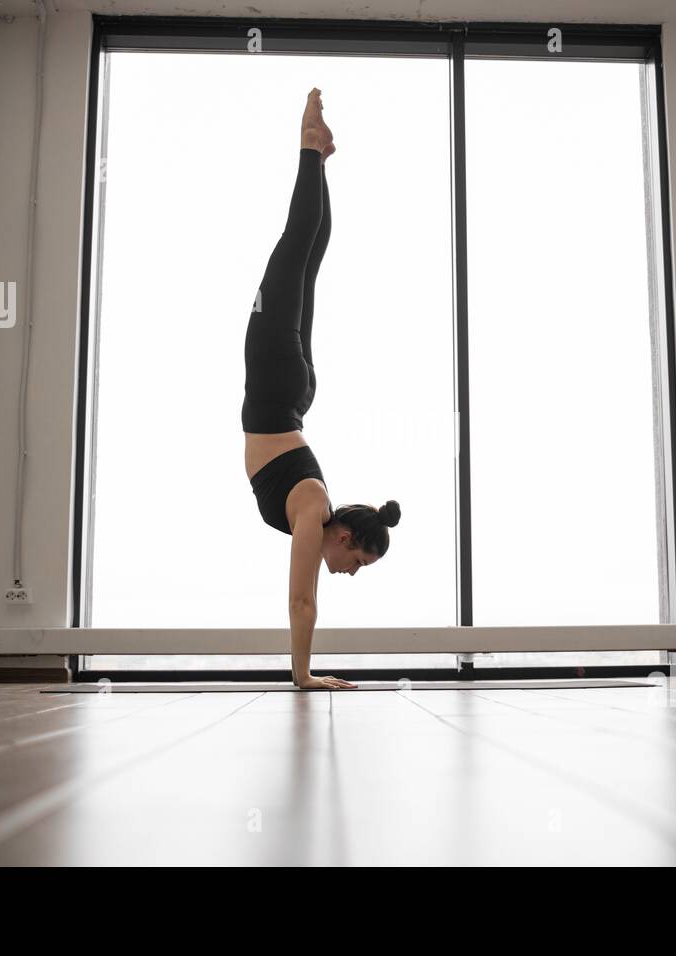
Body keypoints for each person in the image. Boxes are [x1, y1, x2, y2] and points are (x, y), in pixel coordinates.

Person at [241, 88, 401, 690]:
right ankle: (311, 147)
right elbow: (302, 602)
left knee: (304, 262)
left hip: (291, 390)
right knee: (294, 251)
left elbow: (306, 596)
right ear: (343, 536)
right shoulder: (312, 509)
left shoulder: (315, 502)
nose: (349, 572)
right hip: (275, 377)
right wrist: (304, 676)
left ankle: (321, 157)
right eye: (356, 560)